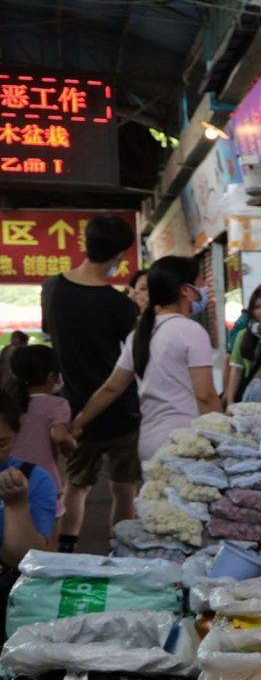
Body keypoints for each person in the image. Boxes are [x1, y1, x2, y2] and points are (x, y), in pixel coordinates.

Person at [41, 217, 142, 547]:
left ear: (86, 243)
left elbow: (50, 335)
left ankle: (66, 551)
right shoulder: (120, 305)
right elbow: (134, 360)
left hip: (72, 408)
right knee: (123, 488)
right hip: (120, 408)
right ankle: (120, 552)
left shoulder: (52, 288)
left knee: (76, 486)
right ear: (120, 254)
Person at [70, 257, 219, 461]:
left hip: (149, 441)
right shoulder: (191, 331)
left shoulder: (139, 334)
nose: (204, 290)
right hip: (186, 441)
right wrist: (224, 437)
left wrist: (78, 422)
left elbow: (111, 388)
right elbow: (206, 395)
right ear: (185, 290)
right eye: (201, 284)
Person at [0, 390, 61, 628]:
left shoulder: (32, 479)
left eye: (1, 443)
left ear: (16, 435)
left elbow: (25, 558)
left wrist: (17, 505)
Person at [9, 345, 75, 523]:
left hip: (8, 478)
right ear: (52, 377)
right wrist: (71, 445)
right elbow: (59, 436)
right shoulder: (57, 404)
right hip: (42, 479)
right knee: (46, 539)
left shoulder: (9, 403)